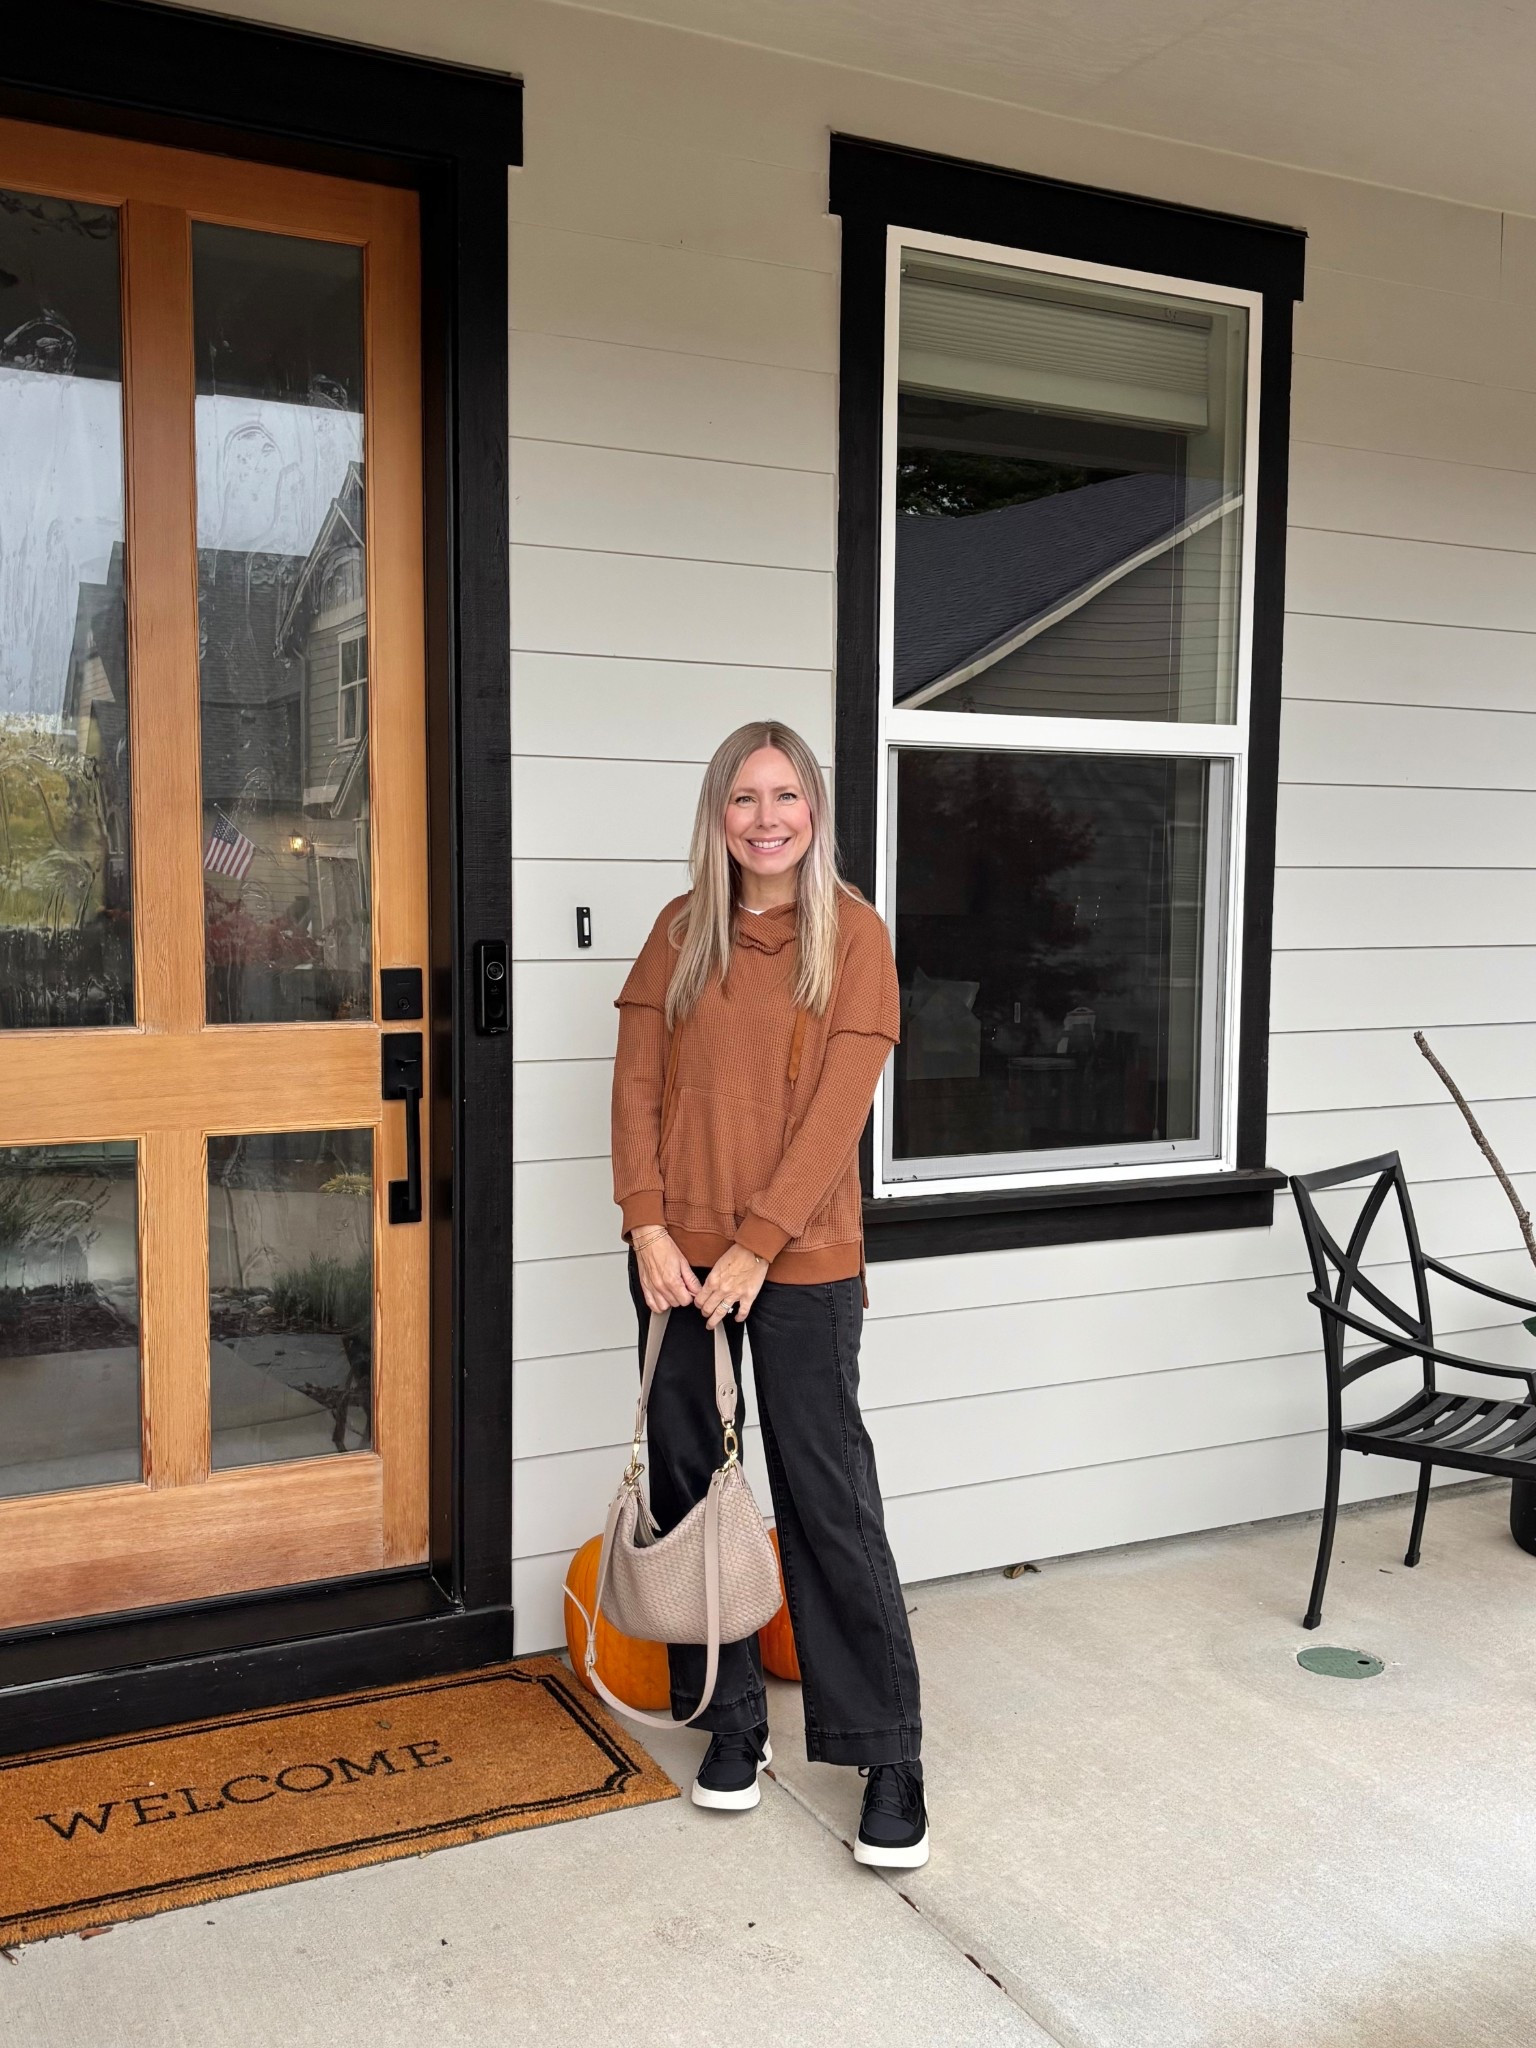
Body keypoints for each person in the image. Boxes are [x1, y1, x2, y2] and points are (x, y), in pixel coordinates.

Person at [610, 719, 928, 1869]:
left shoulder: (855, 935)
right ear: (717, 815)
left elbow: (837, 1114)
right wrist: (648, 1222)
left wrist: (753, 1246)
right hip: (671, 1260)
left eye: (784, 794)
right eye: (742, 797)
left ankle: (889, 1752)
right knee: (698, 1499)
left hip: (797, 1262)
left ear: (813, 810)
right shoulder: (676, 934)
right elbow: (636, 1083)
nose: (764, 817)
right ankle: (732, 1723)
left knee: (826, 1497)